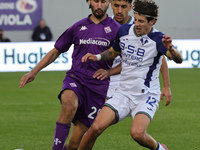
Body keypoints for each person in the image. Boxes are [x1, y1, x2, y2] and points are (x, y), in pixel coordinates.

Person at [80, 0, 183, 149]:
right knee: (95, 128)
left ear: (152, 21)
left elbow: (178, 59)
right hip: (123, 93)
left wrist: (171, 49)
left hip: (146, 95)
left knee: (137, 134)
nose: (137, 24)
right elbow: (113, 52)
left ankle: (160, 148)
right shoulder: (124, 31)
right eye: (135, 19)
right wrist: (97, 57)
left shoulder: (158, 40)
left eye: (141, 21)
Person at [20, 0, 120, 150]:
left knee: (74, 145)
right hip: (76, 78)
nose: (99, 5)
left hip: (98, 88)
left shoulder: (116, 30)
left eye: (103, 1)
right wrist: (33, 72)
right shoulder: (78, 27)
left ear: (109, 3)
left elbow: (127, 61)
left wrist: (108, 72)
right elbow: (56, 51)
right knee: (69, 105)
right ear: (89, 1)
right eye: (95, 1)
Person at [97, 0, 172, 106]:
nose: (119, 11)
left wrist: (166, 86)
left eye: (123, 7)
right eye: (116, 6)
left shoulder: (140, 25)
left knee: (101, 115)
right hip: (106, 77)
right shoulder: (105, 25)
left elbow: (161, 58)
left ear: (130, 7)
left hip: (129, 82)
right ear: (111, 5)